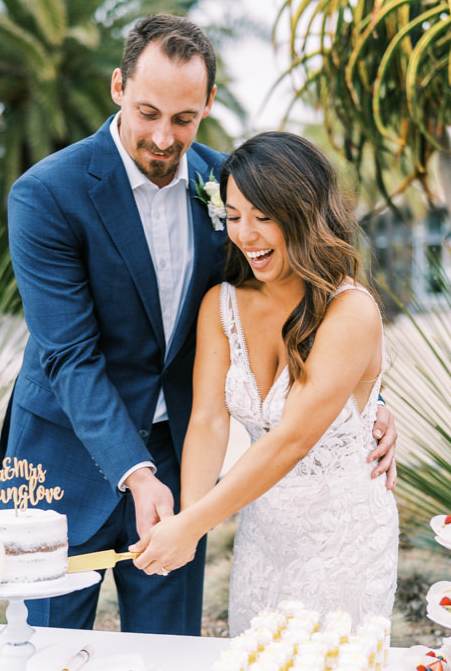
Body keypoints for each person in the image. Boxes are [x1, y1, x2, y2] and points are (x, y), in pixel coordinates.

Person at [2, 14, 397, 635]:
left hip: (183, 450)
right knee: (47, 648)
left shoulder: (234, 189)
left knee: (172, 651)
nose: (163, 137)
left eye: (183, 119)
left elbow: (312, 288)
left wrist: (366, 400)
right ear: (117, 88)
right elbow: (69, 355)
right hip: (65, 455)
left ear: (209, 104)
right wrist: (134, 473)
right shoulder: (46, 195)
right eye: (148, 112)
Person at [128, 132, 399, 632]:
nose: (245, 235)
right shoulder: (222, 304)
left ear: (303, 213)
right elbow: (208, 420)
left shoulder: (351, 310)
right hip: (263, 536)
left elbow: (291, 440)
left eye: (263, 216)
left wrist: (194, 524)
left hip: (344, 540)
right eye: (233, 217)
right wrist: (187, 520)